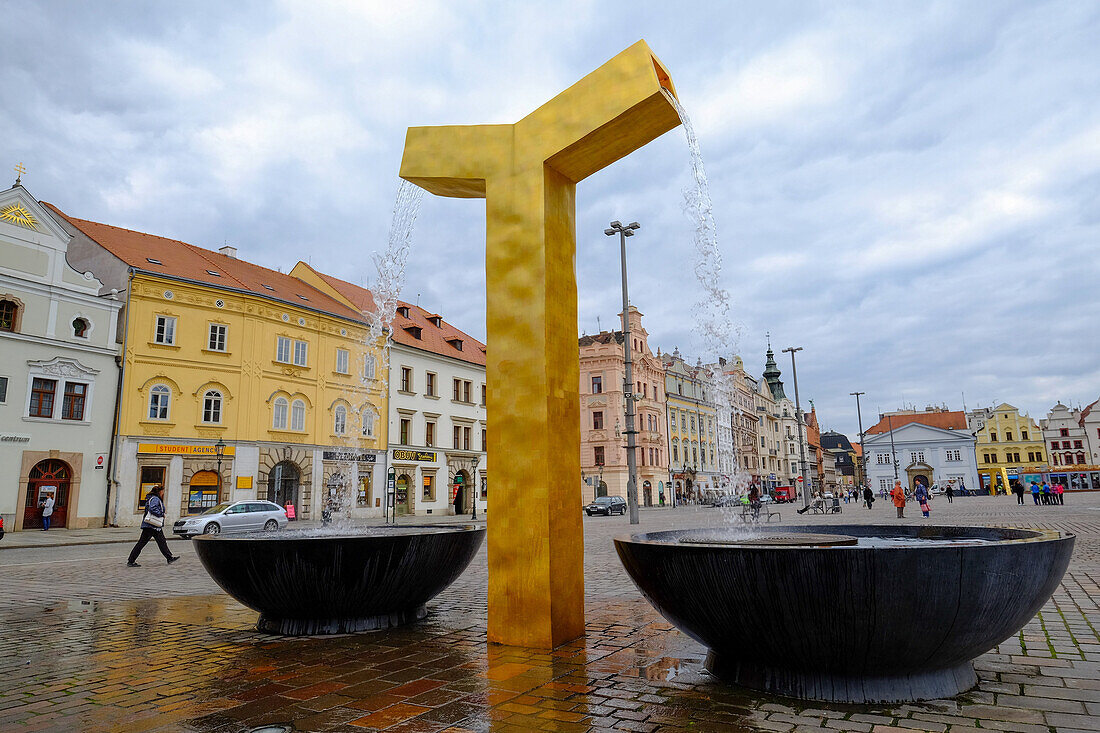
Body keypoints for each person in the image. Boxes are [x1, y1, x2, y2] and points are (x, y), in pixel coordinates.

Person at [127, 485, 179, 567]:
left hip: (154, 526)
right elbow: (152, 508)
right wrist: (161, 514)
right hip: (151, 526)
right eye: (163, 491)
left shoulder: (153, 498)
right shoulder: (155, 499)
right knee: (142, 543)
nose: (163, 493)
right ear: (159, 491)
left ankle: (169, 557)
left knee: (162, 542)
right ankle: (131, 561)